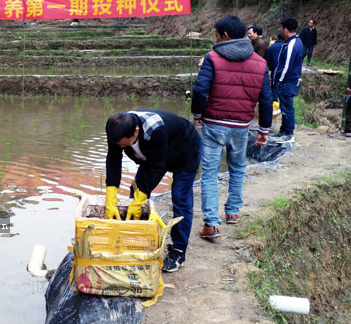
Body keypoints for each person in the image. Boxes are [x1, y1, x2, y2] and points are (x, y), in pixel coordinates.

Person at [192, 15, 272, 239]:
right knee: (237, 168)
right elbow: (266, 99)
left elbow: (199, 90)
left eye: (216, 35)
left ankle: (211, 224)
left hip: (214, 124)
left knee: (209, 174)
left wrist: (197, 114)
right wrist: (264, 129)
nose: (215, 39)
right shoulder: (260, 62)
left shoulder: (213, 57)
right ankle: (233, 212)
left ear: (225, 35)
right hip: (241, 126)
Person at [104, 110, 200, 272]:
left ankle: (178, 251)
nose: (122, 147)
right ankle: (134, 240)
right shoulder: (115, 128)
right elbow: (113, 161)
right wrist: (110, 199)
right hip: (153, 155)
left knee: (180, 198)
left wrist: (141, 198)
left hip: (184, 149)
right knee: (135, 193)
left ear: (136, 131)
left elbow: (157, 167)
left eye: (125, 144)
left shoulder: (156, 130)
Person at [272, 18, 304, 144]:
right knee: (285, 107)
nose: (281, 31)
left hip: (288, 81)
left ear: (285, 29)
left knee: (288, 108)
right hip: (288, 80)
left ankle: (289, 133)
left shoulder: (293, 43)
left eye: (282, 29)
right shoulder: (293, 41)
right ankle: (283, 131)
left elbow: (287, 64)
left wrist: (279, 79)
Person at [265, 34, 285, 101]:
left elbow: (268, 58)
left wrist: (271, 67)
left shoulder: (272, 47)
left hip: (275, 70)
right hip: (285, 70)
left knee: (274, 86)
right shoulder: (287, 46)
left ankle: (275, 102)